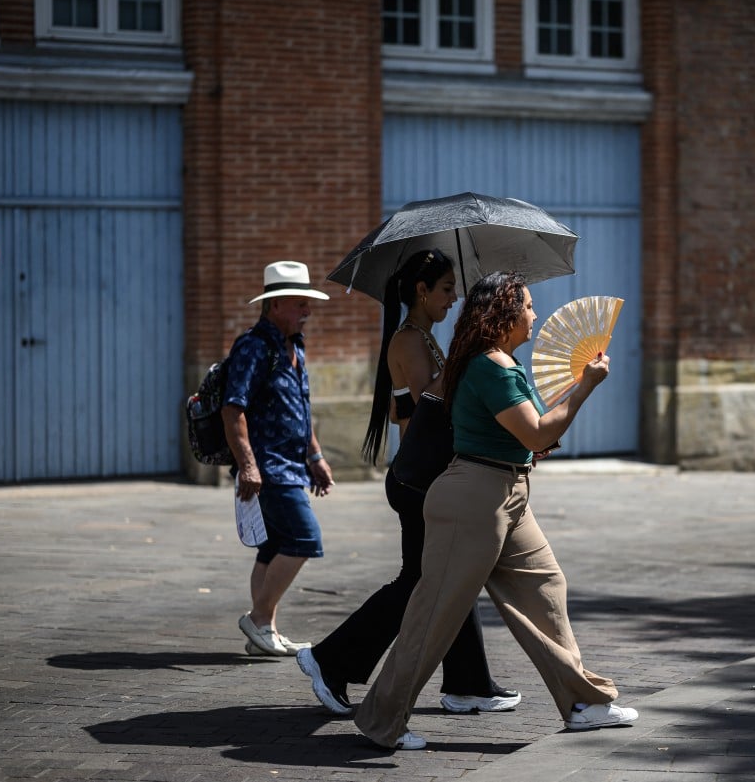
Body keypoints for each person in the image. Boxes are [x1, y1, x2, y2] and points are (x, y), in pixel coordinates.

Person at [354, 270, 639, 751]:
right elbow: (537, 432)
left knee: (545, 585)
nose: (535, 315)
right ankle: (383, 719)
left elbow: (526, 438)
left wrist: (537, 439)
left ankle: (582, 703)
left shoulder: (500, 362)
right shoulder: (491, 366)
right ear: (504, 314)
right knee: (434, 614)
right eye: (527, 306)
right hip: (475, 500)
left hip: (506, 494)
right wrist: (584, 385)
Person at [295, 250, 520, 715]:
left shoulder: (425, 340)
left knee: (451, 574)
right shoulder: (410, 342)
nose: (454, 298)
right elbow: (431, 407)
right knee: (420, 581)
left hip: (430, 476)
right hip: (420, 482)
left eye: (455, 290)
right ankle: (330, 659)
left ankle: (467, 682)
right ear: (421, 291)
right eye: (445, 289)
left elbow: (409, 408)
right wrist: (470, 357)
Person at [223, 260, 334, 657]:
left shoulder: (295, 346)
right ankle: (257, 618)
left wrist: (315, 456)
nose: (308, 311)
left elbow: (301, 408)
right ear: (275, 306)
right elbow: (233, 409)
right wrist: (249, 465)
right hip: (268, 468)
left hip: (293, 464)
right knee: (305, 540)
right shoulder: (253, 347)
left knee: (272, 549)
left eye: (308, 303)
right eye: (300, 304)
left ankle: (264, 632)